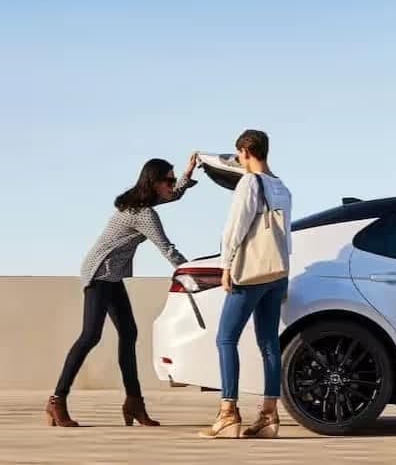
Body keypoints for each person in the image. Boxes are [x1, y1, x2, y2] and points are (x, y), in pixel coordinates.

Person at [47, 154, 198, 428]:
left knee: (129, 334)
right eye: (169, 180)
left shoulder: (144, 204)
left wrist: (187, 174)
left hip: (112, 276)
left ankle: (134, 403)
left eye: (173, 180)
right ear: (154, 182)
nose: (172, 185)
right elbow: (167, 248)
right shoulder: (144, 214)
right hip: (99, 273)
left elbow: (174, 196)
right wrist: (192, 272)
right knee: (90, 335)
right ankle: (57, 399)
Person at [200, 130, 292, 439]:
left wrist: (225, 265)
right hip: (277, 272)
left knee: (226, 339)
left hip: (250, 274)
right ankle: (269, 416)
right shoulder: (281, 186)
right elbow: (285, 236)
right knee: (269, 342)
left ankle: (228, 413)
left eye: (239, 154)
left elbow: (235, 228)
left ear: (244, 151)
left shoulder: (249, 184)